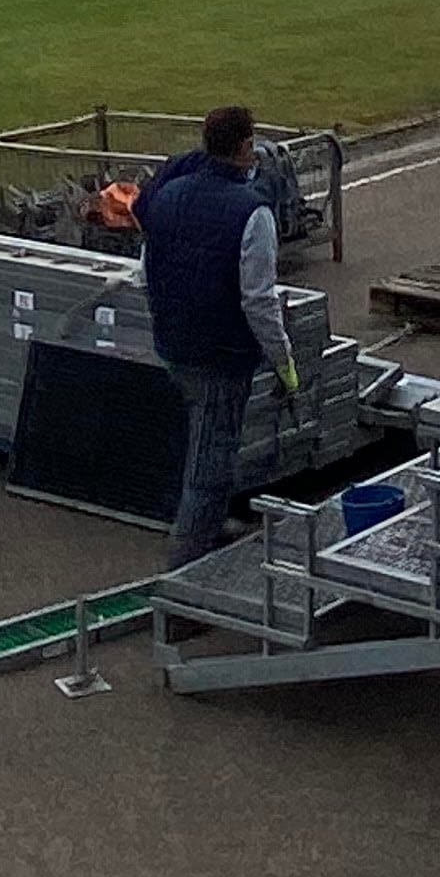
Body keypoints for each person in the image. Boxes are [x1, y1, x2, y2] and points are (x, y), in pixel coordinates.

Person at [136, 104, 304, 571]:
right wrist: (285, 364)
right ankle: (186, 573)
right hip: (222, 355)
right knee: (211, 461)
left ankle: (206, 524)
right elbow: (259, 302)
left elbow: (148, 270)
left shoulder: (168, 193)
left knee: (201, 437)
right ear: (246, 147)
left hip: (173, 343)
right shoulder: (253, 214)